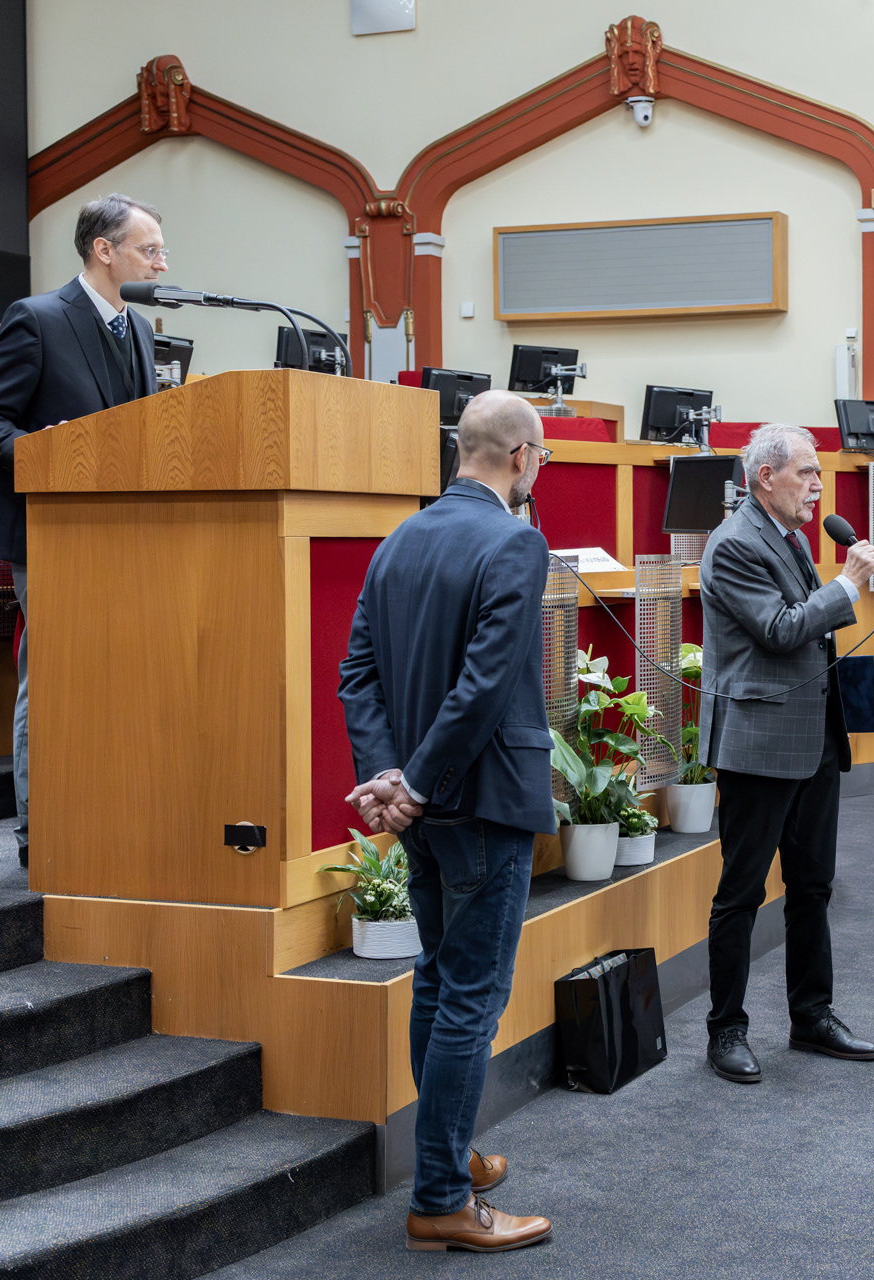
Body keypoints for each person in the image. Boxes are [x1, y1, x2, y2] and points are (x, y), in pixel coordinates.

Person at [338, 390, 555, 1253]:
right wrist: (419, 784)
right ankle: (440, 1199)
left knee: (438, 981)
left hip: (422, 809)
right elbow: (486, 685)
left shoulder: (399, 538)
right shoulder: (516, 541)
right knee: (471, 996)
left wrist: (390, 777)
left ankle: (447, 1155)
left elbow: (357, 674)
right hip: (480, 803)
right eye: (542, 458)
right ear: (523, 457)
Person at [0, 194, 167, 868]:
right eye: (150, 250)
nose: (162, 264)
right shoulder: (39, 318)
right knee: (52, 679)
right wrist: (42, 454)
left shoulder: (140, 329)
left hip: (123, 535)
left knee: (116, 679)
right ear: (104, 250)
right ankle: (40, 829)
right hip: (51, 532)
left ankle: (106, 815)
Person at [698, 422, 874, 1084]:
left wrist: (838, 589)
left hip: (812, 738)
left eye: (819, 474)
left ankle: (812, 1017)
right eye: (806, 472)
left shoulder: (792, 537)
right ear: (765, 477)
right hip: (758, 744)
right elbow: (779, 630)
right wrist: (848, 585)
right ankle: (726, 1030)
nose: (817, 486)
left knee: (812, 886)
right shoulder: (734, 544)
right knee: (741, 893)